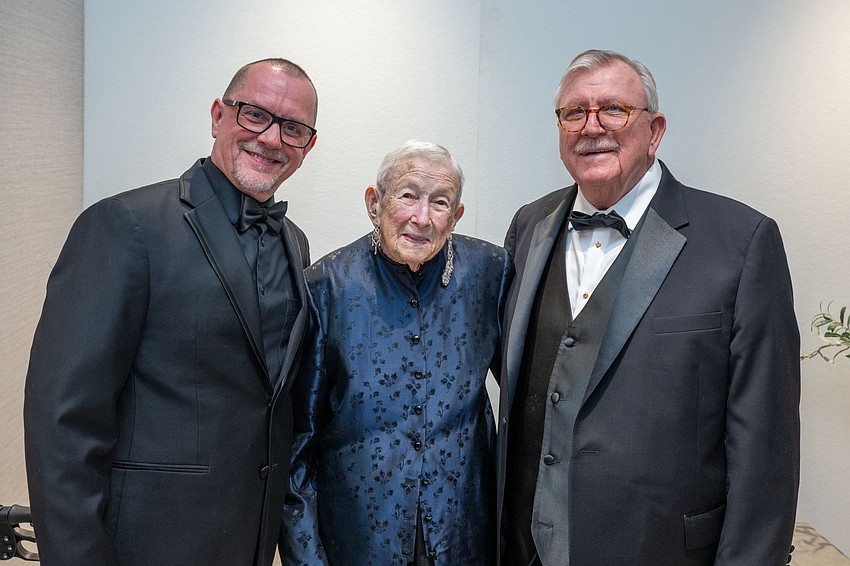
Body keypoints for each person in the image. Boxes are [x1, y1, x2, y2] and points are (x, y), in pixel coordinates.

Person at [497, 49, 800, 566]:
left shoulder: (743, 241)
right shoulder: (529, 225)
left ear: (654, 130)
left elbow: (765, 446)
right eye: (574, 112)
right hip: (524, 549)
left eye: (613, 109)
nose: (592, 127)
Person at [23, 58, 318, 565]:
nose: (271, 139)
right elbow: (63, 422)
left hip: (249, 540)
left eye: (292, 128)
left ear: (307, 146)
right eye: (254, 115)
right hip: (144, 544)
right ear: (217, 117)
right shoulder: (123, 226)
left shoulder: (296, 243)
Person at [282, 140, 512, 565]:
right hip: (360, 539)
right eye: (407, 195)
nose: (421, 218)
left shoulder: (490, 273)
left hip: (463, 536)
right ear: (375, 202)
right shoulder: (327, 287)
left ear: (456, 215)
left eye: (440, 202)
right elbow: (298, 443)